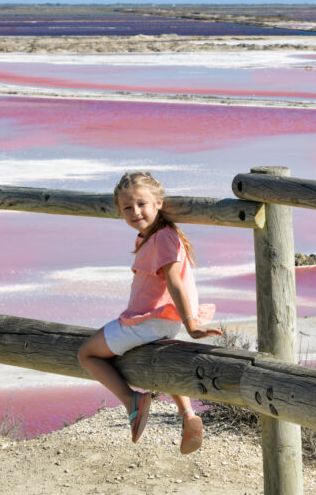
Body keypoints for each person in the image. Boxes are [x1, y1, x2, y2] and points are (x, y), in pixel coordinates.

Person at [77, 171, 222, 455]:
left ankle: (132, 401)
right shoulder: (155, 236)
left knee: (87, 354)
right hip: (163, 322)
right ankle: (187, 414)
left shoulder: (163, 239)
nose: (135, 212)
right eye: (127, 207)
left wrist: (192, 325)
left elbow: (174, 281)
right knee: (160, 358)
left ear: (158, 202)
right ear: (120, 211)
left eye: (142, 204)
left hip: (149, 320)